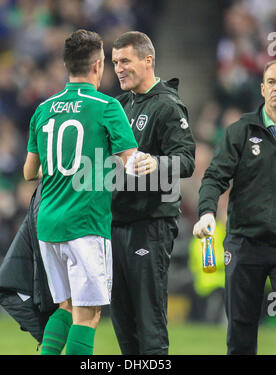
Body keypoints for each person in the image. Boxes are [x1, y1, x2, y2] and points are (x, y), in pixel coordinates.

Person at [23, 29, 140, 355]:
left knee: (65, 305)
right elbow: (132, 164)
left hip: (48, 225)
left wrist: (59, 168)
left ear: (66, 65)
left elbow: (29, 172)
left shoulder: (44, 109)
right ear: (97, 66)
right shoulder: (106, 107)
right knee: (88, 315)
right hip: (86, 224)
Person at [110, 31, 196, 355]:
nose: (119, 68)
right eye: (115, 61)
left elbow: (187, 160)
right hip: (116, 224)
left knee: (149, 321)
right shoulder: (118, 105)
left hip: (150, 225)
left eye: (125, 61)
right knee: (122, 321)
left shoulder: (168, 106)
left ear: (148, 61)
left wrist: (156, 163)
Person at [193, 60, 276, 355]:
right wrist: (206, 212)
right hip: (245, 242)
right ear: (262, 88)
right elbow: (215, 176)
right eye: (272, 81)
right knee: (240, 334)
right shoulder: (240, 131)